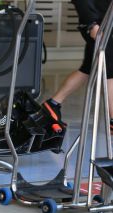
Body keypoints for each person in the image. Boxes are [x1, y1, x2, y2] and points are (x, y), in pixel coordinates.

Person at [42, 0, 113, 131]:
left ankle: (52, 104)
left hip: (106, 22)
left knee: (88, 69)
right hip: (98, 24)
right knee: (109, 70)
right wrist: (91, 24)